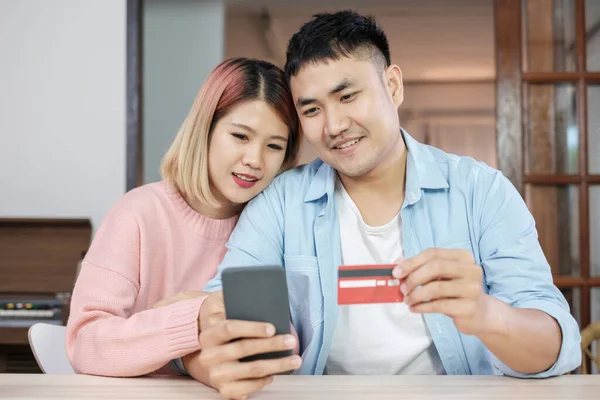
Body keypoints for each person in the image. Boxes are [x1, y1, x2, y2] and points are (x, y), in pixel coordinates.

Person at [65, 57, 301, 377]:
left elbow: (280, 347)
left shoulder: (271, 228)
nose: (254, 160)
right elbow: (84, 342)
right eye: (240, 136)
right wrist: (194, 317)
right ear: (205, 130)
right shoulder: (137, 214)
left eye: (274, 146)